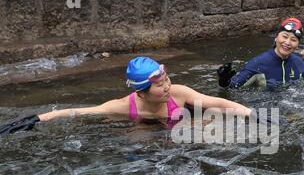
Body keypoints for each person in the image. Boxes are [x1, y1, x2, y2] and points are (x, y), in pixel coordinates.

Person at [0, 57, 253, 136]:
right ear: (140, 92)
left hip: (182, 122)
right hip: (144, 126)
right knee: (136, 139)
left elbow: (217, 102)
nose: (166, 87)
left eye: (167, 80)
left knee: (211, 124)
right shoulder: (123, 106)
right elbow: (78, 111)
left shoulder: (179, 93)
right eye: (159, 85)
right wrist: (38, 118)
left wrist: (250, 113)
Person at [217, 17, 304, 90]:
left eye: (293, 40)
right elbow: (232, 86)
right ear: (276, 37)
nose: (287, 42)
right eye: (284, 36)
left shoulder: (298, 62)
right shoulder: (258, 63)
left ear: (298, 44)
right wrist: (224, 81)